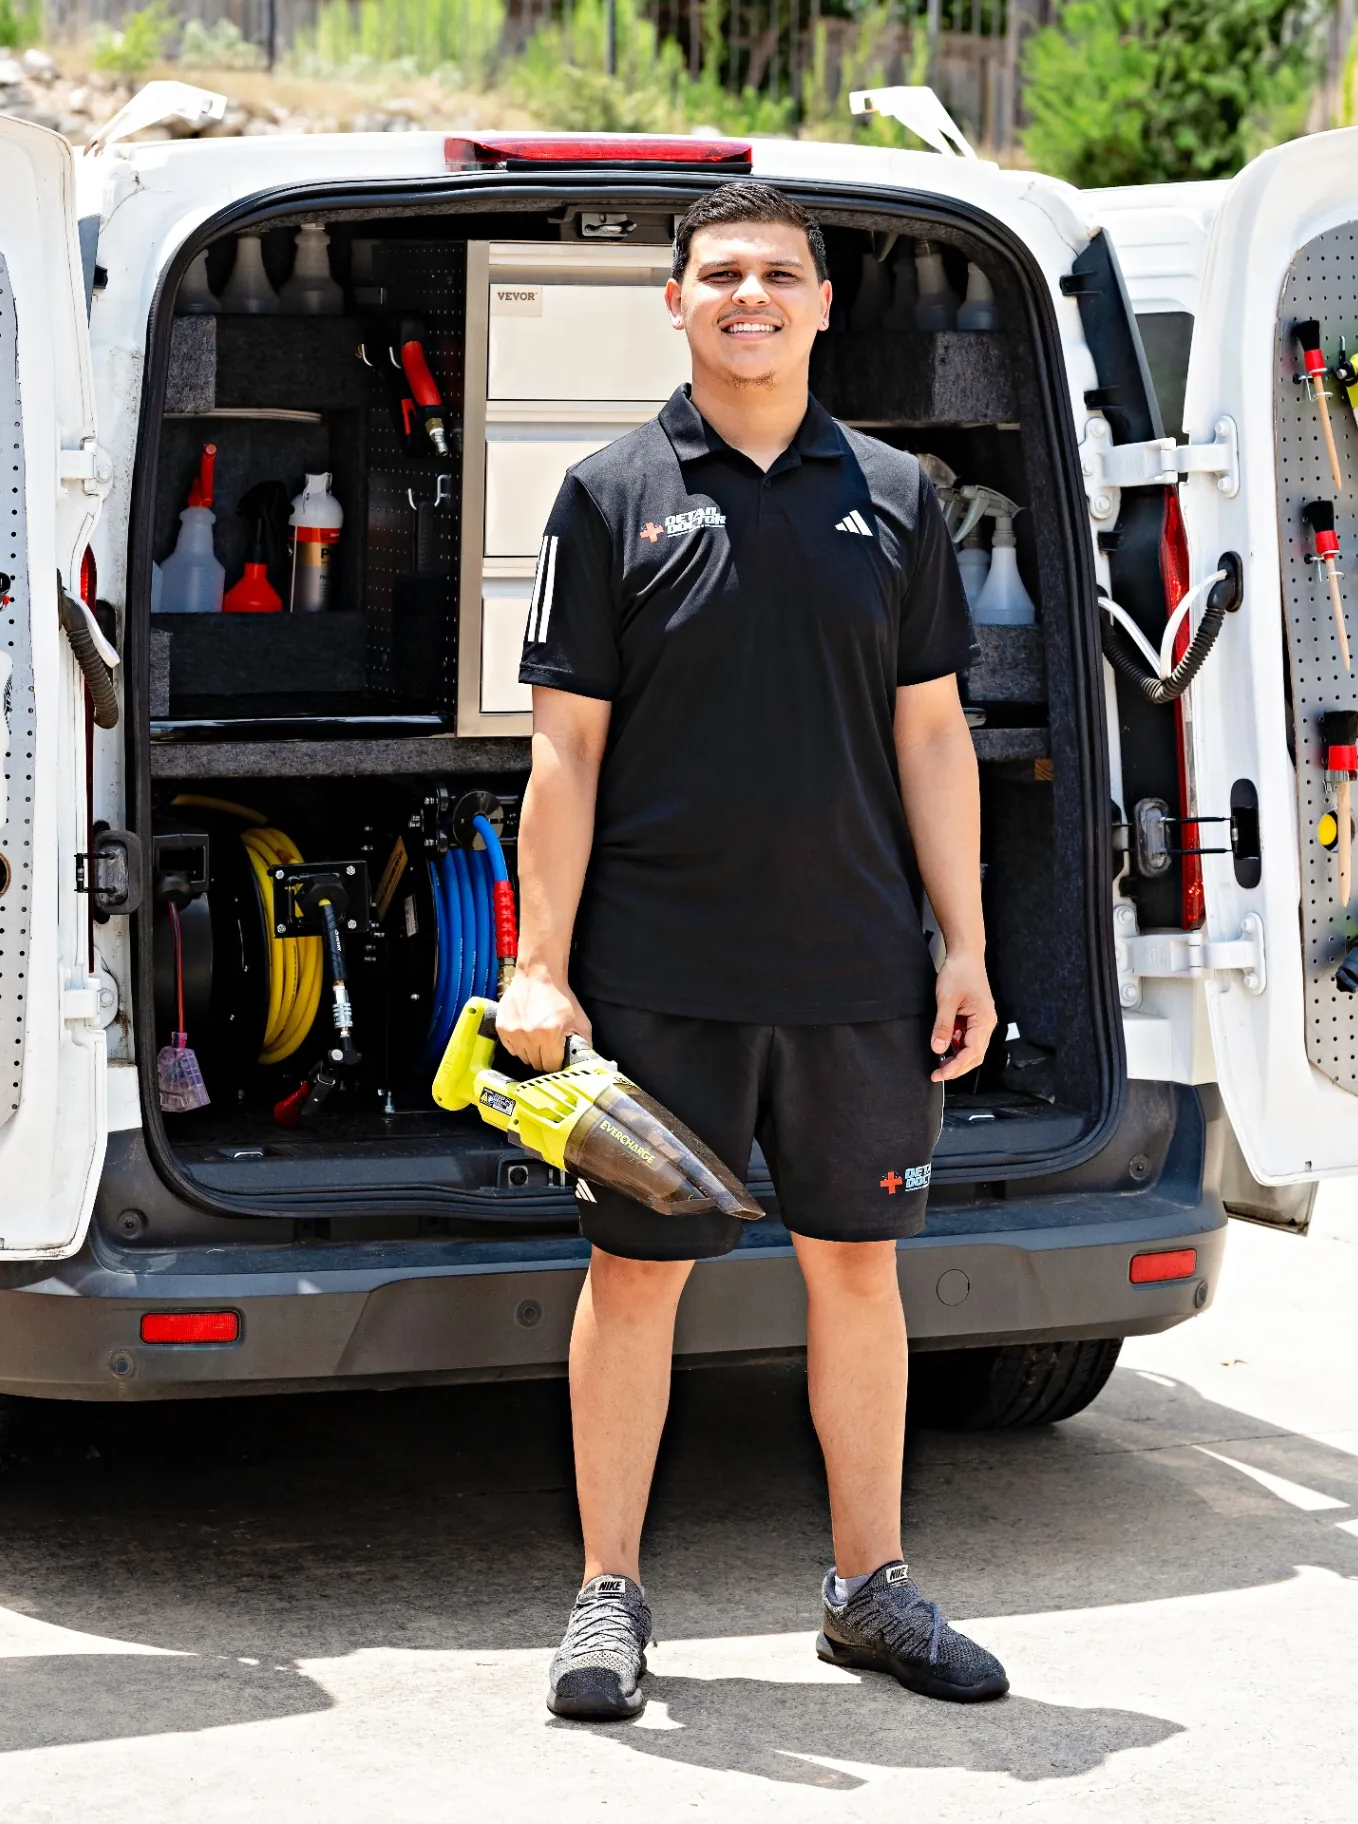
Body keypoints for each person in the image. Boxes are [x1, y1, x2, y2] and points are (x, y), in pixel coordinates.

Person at [498, 181, 1007, 1717]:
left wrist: (964, 945)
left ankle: (871, 1591)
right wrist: (542, 962)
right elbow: (563, 759)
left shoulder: (902, 497)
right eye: (718, 273)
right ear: (674, 302)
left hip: (860, 971)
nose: (748, 295)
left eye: (777, 274)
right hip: (659, 976)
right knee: (635, 1281)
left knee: (856, 1273)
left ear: (822, 304)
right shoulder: (606, 494)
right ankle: (607, 1598)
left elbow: (932, 736)